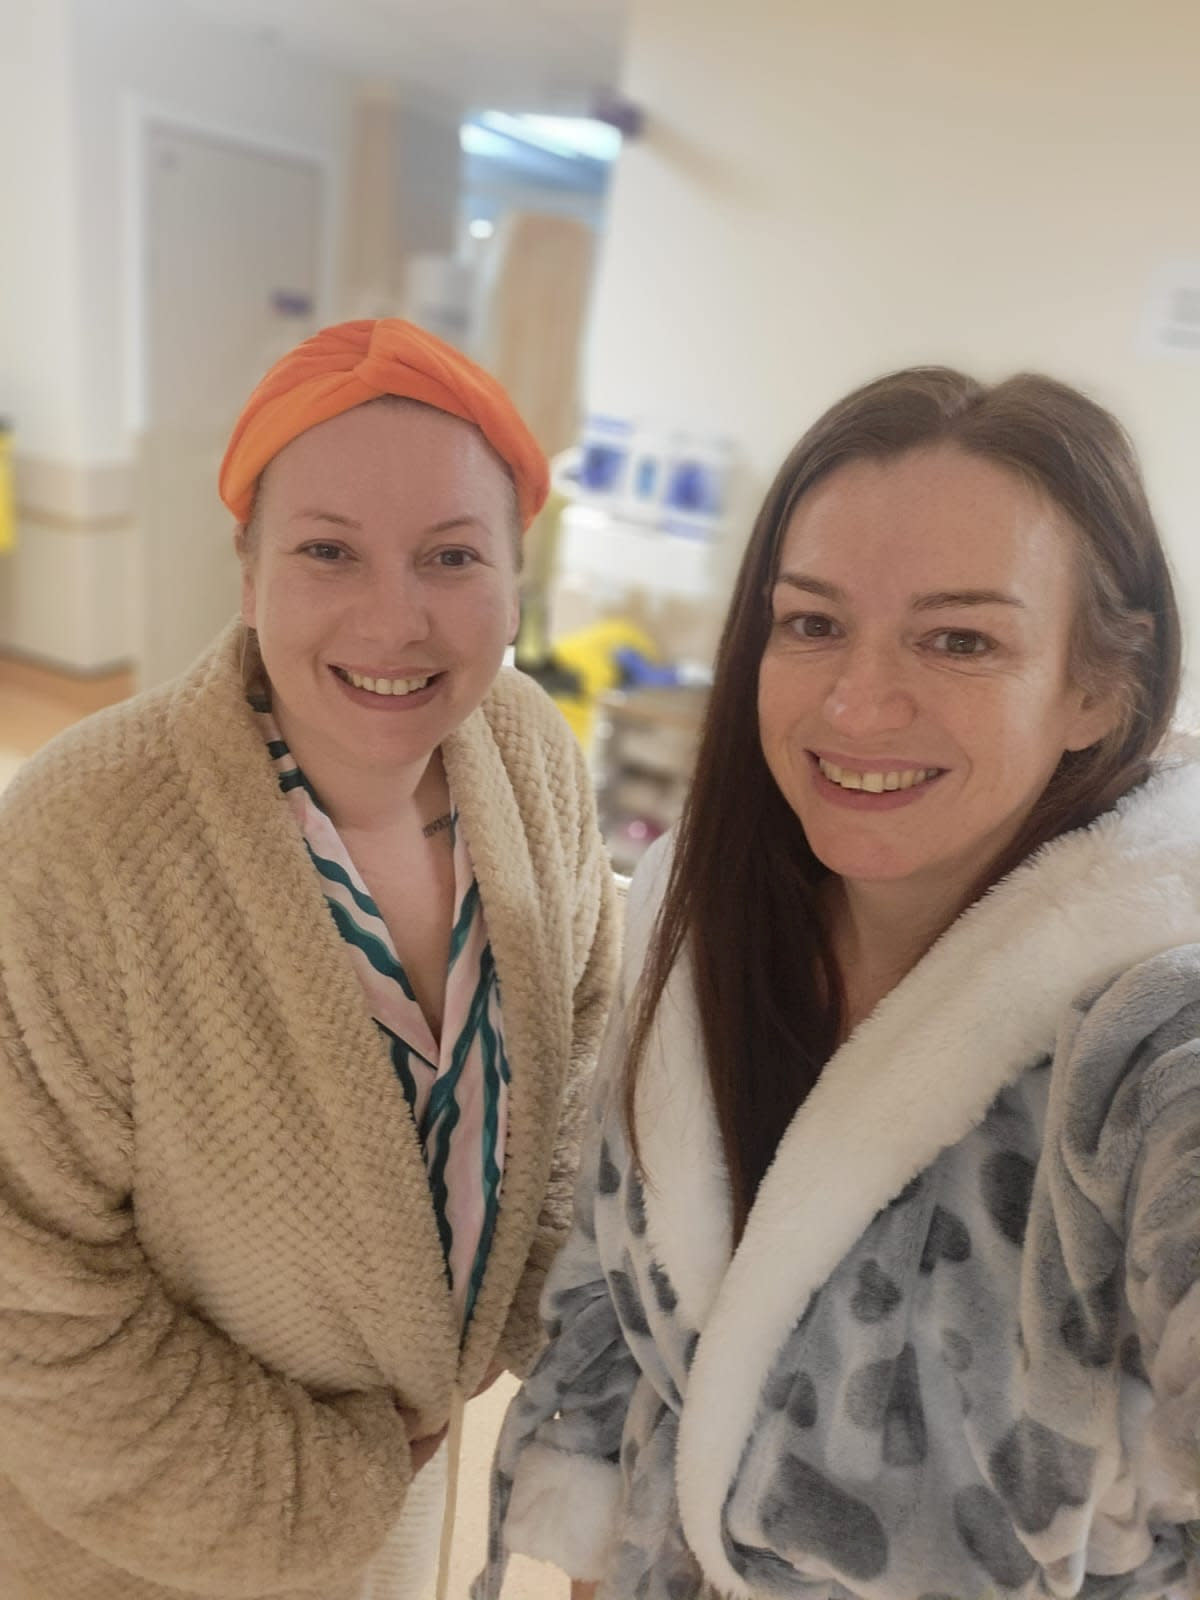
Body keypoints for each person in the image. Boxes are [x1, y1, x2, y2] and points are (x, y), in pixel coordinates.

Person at [478, 367, 1200, 1600]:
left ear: (1098, 690)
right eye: (811, 623)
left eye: (960, 638)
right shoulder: (692, 918)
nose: (858, 703)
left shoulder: (1149, 1028)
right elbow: (612, 1280)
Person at [0, 317, 618, 1600]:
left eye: (451, 556)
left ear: (518, 578)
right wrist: (333, 1480)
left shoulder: (532, 757)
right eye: (328, 551)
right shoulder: (81, 841)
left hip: (396, 1523)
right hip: (149, 1536)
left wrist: (521, 1320)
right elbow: (31, 1302)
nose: (394, 619)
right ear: (247, 572)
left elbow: (587, 1041)